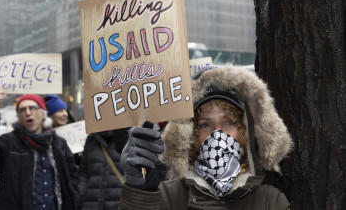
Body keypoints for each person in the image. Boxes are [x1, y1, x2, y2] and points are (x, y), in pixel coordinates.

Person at [119, 65, 292, 209]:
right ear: (190, 136)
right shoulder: (167, 197)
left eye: (229, 122)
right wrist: (139, 192)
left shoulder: (271, 202)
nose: (217, 134)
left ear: (244, 131)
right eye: (205, 124)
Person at [0, 86, 80, 210]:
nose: (27, 112)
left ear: (43, 114)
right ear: (19, 117)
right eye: (22, 110)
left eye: (32, 108)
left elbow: (73, 177)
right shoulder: (8, 143)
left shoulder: (59, 144)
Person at [78, 128, 128, 210]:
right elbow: (83, 171)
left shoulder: (128, 138)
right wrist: (82, 192)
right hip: (91, 202)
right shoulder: (91, 139)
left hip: (119, 203)